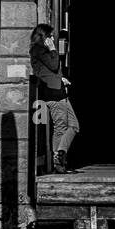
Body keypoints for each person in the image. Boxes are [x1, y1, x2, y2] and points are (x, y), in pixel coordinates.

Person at [29, 23, 80, 173]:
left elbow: (51, 71)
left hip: (59, 90)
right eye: (50, 35)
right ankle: (58, 162)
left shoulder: (41, 50)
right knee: (60, 127)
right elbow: (52, 65)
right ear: (43, 37)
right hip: (53, 93)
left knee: (74, 126)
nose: (52, 38)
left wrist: (61, 78)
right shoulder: (39, 50)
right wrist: (52, 48)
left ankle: (61, 152)